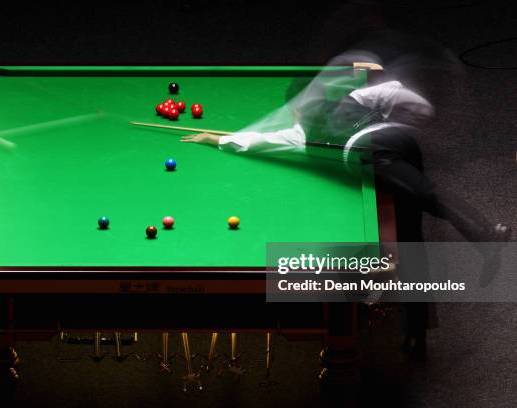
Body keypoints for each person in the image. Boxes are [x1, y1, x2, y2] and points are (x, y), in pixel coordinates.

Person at [181, 78, 512, 357]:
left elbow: (256, 143)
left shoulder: (299, 133)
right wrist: (413, 115)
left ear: (296, 108)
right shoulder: (352, 98)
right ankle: (418, 333)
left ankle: (486, 237)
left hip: (373, 152)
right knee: (414, 227)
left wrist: (216, 139)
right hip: (401, 140)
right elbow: (394, 89)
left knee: (424, 202)